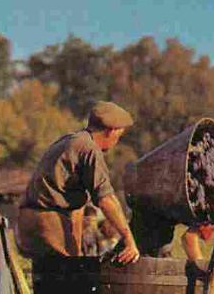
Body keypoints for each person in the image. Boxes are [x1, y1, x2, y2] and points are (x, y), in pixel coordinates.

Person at [16, 101, 140, 264]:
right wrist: (129, 240)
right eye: (119, 137)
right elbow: (106, 199)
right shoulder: (89, 149)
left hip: (30, 220)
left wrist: (77, 252)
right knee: (65, 283)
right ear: (111, 131)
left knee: (53, 279)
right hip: (49, 221)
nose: (116, 142)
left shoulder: (70, 140)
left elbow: (76, 205)